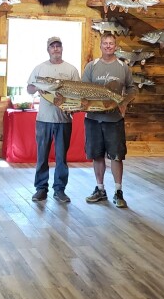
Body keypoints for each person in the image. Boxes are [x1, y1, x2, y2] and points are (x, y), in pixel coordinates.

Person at [82, 33, 137, 208]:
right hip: (93, 118)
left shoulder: (123, 67)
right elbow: (83, 89)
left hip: (114, 119)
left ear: (116, 46)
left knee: (116, 156)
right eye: (105, 43)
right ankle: (100, 189)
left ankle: (118, 191)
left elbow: (131, 88)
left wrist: (126, 103)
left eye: (111, 43)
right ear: (101, 46)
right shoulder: (92, 66)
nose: (108, 46)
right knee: (96, 155)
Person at [26, 36, 80, 204]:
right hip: (43, 120)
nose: (55, 49)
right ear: (48, 49)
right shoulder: (40, 68)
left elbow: (77, 92)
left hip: (64, 120)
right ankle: (41, 189)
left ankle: (60, 190)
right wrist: (38, 87)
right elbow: (29, 88)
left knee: (61, 157)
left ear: (62, 48)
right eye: (52, 46)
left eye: (58, 46)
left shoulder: (71, 69)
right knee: (42, 156)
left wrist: (75, 106)